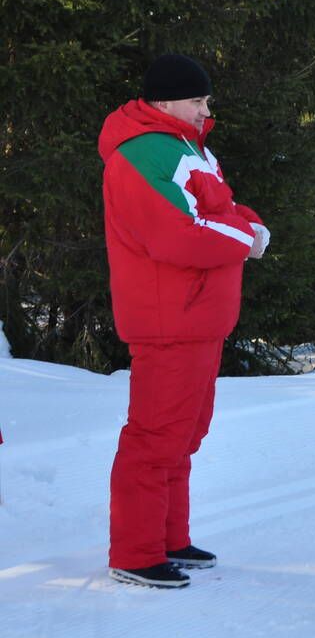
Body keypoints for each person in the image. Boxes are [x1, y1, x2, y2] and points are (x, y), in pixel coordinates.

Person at [100, 54, 270, 589]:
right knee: (155, 437)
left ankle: (170, 538)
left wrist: (246, 226)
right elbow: (178, 235)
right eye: (197, 100)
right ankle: (136, 551)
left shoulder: (189, 147)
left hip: (199, 319)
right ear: (165, 101)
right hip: (168, 320)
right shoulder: (142, 151)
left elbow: (224, 210)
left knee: (183, 436)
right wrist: (247, 238)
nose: (205, 109)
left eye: (205, 100)